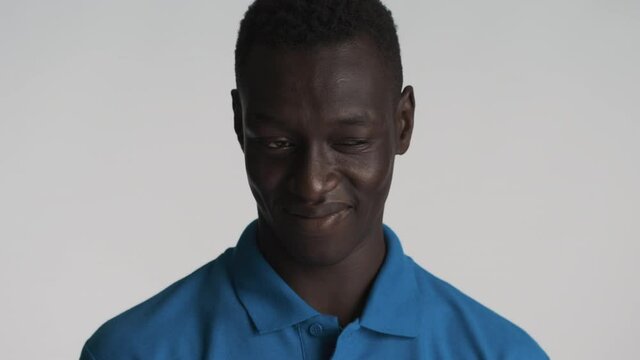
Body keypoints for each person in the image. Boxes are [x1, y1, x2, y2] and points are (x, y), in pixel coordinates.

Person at [80, 0, 548, 359]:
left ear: (402, 124)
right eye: (277, 143)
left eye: (350, 142)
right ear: (239, 123)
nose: (311, 183)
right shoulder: (133, 350)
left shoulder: (501, 353)